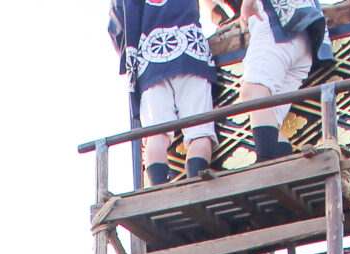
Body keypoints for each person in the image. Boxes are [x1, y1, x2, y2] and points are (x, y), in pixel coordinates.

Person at [109, 1, 217, 184]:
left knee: (156, 136)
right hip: (190, 48)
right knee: (199, 132)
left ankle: (160, 189)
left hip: (150, 58)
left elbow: (117, 27)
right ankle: (197, 188)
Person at [215, 1, 328, 160]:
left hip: (275, 22)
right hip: (303, 32)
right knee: (271, 119)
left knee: (253, 92)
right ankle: (281, 172)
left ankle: (266, 166)